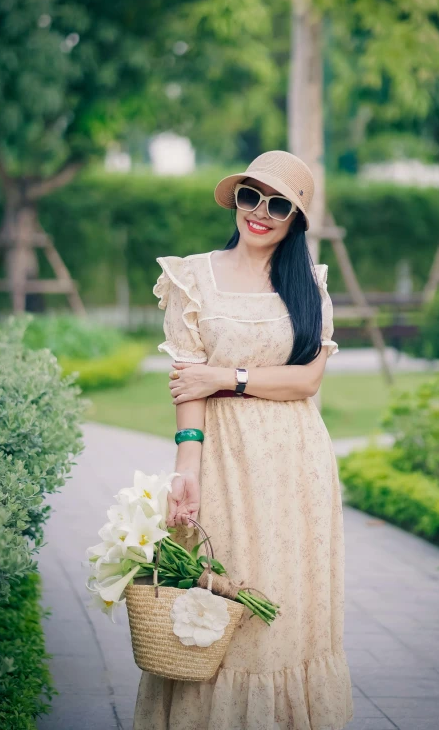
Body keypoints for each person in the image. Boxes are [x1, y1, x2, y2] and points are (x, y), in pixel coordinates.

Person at [133, 150, 354, 730]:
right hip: (224, 461)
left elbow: (307, 380)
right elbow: (187, 385)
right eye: (251, 196)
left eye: (278, 204)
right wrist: (188, 469)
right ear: (236, 198)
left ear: (295, 219)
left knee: (287, 605)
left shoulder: (309, 285)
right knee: (218, 591)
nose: (260, 212)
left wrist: (226, 377)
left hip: (297, 462)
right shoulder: (192, 276)